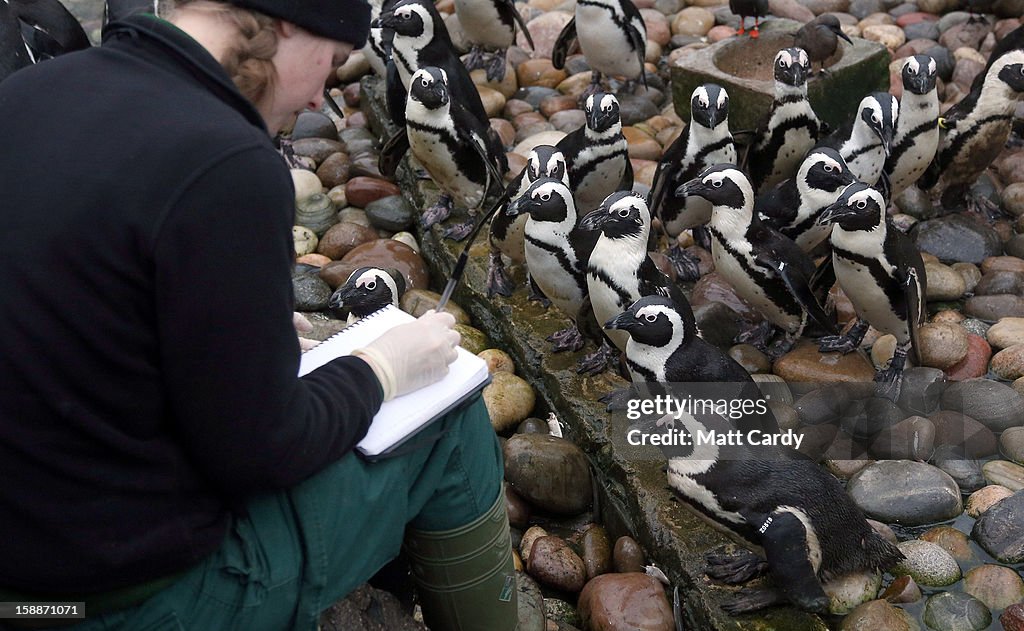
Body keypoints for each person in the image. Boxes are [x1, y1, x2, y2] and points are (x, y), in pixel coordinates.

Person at [0, 1, 517, 629]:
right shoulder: (224, 162)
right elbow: (262, 451)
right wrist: (379, 368)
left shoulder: (30, 92)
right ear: (287, 22)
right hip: (124, 600)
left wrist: (231, 334)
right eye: (328, 63)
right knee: (449, 421)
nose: (317, 98)